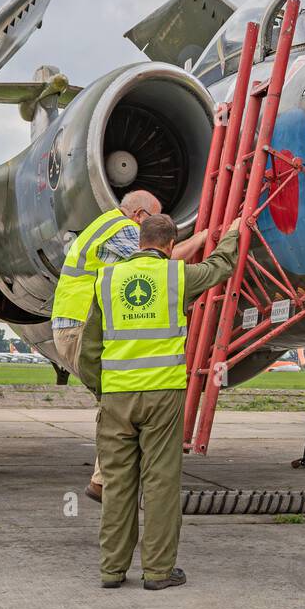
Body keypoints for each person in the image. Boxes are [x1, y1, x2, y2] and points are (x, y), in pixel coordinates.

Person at [77, 214, 239, 589]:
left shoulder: (107, 280)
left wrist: (103, 390)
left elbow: (89, 350)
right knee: (160, 483)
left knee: (117, 484)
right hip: (163, 395)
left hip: (117, 397)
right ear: (169, 246)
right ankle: (158, 572)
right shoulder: (177, 276)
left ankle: (112, 571)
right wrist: (230, 235)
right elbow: (221, 267)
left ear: (139, 242)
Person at [50, 189, 207, 503]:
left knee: (118, 399)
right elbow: (163, 262)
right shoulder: (120, 229)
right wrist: (202, 238)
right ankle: (105, 480)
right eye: (154, 220)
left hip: (74, 327)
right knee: (119, 401)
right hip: (81, 328)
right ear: (139, 216)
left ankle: (104, 481)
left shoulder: (103, 226)